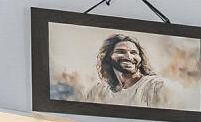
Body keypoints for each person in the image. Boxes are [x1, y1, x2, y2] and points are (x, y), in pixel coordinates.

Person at [54, 29, 183, 109]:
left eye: (134, 52)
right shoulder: (99, 91)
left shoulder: (155, 86)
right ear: (109, 57)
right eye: (121, 52)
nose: (129, 57)